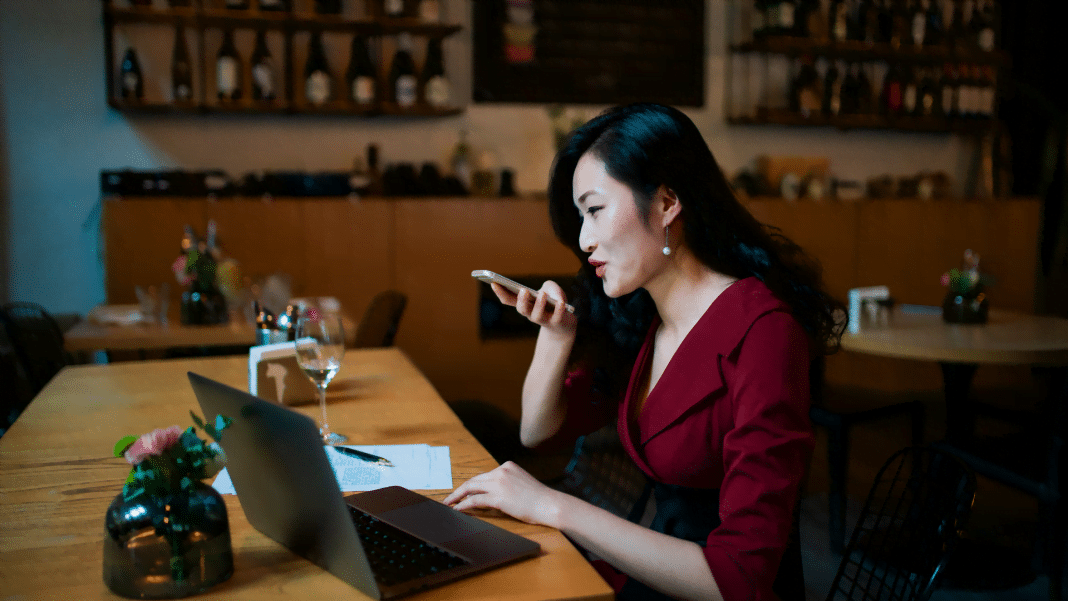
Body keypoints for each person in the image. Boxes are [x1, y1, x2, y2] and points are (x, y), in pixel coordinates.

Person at [444, 103, 844, 601]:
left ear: (666, 203)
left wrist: (551, 506)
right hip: (651, 575)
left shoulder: (762, 331)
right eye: (580, 217)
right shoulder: (644, 319)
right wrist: (557, 335)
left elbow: (740, 580)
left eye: (595, 209)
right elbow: (537, 430)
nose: (585, 239)